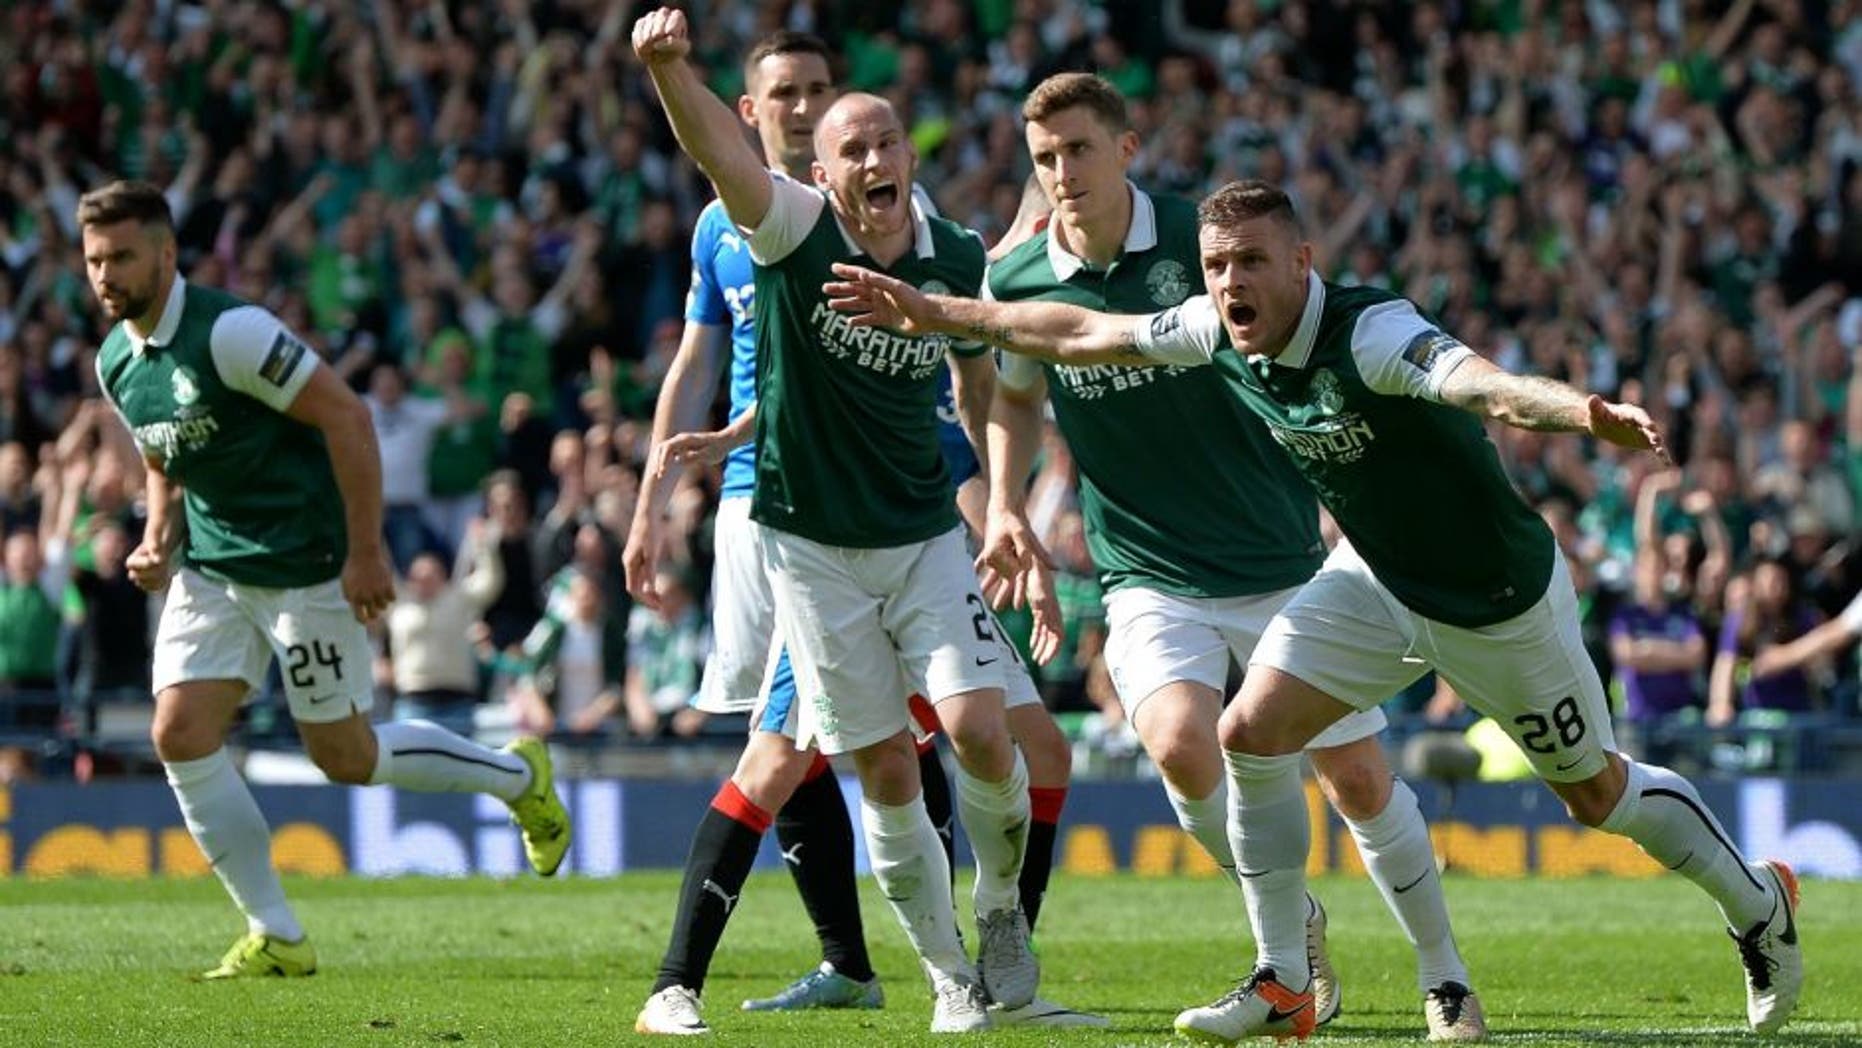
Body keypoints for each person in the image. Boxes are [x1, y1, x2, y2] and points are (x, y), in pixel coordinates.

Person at [824, 178, 1804, 1039]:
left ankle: (1758, 902)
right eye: (1213, 264)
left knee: (1593, 793)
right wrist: (940, 313)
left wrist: (1576, 411)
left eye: (1250, 261)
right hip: (1375, 580)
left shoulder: (1369, 334)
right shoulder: (1215, 331)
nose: (1228, 282)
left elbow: (1479, 384)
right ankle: (1283, 978)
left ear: (1301, 260)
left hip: (1494, 602)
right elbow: (1081, 331)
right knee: (1247, 732)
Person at [980, 72, 1480, 1039]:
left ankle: (1444, 975)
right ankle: (1288, 937)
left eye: (1079, 150)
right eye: (1044, 158)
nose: (1062, 173)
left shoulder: (1198, 242)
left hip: (1280, 553)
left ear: (1126, 149)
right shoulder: (1019, 279)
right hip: (1145, 569)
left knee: (1361, 783)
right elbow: (1010, 394)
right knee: (1176, 744)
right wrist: (1006, 502)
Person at [625, 22, 1087, 1035]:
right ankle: (946, 979)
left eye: (886, 142)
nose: (873, 160)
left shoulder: (951, 251)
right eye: (852, 150)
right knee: (876, 765)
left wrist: (1002, 507)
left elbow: (976, 383)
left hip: (922, 533)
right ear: (822, 177)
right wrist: (667, 69)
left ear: (909, 158)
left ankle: (1000, 908)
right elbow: (713, 147)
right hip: (805, 547)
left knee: (980, 730)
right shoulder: (784, 225)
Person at [79, 180, 571, 979]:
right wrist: (157, 535)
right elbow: (161, 450)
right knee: (179, 732)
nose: (106, 274)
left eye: (123, 256)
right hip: (213, 569)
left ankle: (518, 775)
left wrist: (366, 550)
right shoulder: (115, 362)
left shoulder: (232, 332)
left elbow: (346, 416)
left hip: (307, 566)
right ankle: (276, 931)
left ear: (167, 256)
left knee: (343, 755)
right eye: (95, 260)